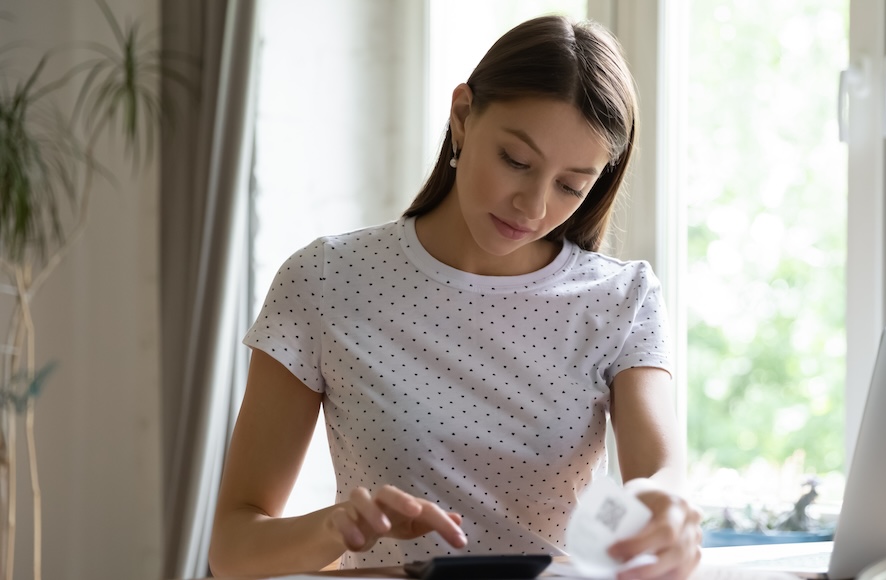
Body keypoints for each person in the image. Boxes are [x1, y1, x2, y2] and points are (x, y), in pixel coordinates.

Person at [208, 14, 702, 580]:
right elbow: (233, 548)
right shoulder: (325, 280)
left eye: (571, 184)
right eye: (516, 161)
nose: (534, 206)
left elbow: (659, 480)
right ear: (463, 117)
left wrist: (669, 516)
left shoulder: (621, 298)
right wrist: (335, 527)